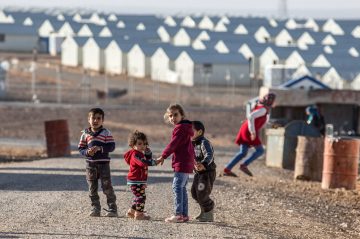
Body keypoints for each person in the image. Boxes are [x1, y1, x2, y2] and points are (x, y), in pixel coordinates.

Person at [157, 104, 194, 223]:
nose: (173, 118)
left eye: (175, 115)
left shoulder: (180, 128)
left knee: (177, 186)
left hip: (182, 162)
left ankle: (178, 214)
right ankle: (184, 215)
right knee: (182, 187)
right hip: (187, 161)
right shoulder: (186, 127)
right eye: (170, 116)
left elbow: (173, 144)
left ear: (182, 115)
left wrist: (163, 155)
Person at [223, 93, 276, 177]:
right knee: (260, 150)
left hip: (247, 129)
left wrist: (272, 125)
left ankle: (227, 169)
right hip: (249, 131)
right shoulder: (263, 109)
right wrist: (253, 132)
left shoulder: (263, 109)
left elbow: (260, 121)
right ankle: (243, 165)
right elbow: (251, 117)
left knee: (243, 153)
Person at [78, 108, 118, 217]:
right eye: (93, 118)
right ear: (88, 120)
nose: (95, 120)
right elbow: (81, 148)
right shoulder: (85, 134)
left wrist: (100, 148)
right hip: (90, 165)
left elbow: (111, 146)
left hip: (103, 164)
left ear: (102, 120)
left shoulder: (106, 132)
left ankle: (112, 208)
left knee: (107, 186)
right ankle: (95, 208)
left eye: (98, 118)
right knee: (92, 187)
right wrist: (87, 152)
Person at [124, 130, 160, 220]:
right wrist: (154, 162)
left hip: (138, 180)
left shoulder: (139, 153)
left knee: (138, 196)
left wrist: (148, 154)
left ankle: (131, 212)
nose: (142, 146)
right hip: (136, 180)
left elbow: (146, 159)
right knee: (141, 197)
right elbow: (143, 163)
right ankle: (139, 214)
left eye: (144, 144)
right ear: (133, 145)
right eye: (139, 144)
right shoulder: (135, 155)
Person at [191, 121, 216, 222]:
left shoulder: (204, 142)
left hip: (207, 172)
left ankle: (209, 212)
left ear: (200, 132)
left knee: (202, 193)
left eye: (191, 131)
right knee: (194, 193)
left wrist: (204, 164)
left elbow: (209, 155)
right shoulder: (192, 143)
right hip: (198, 173)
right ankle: (203, 211)